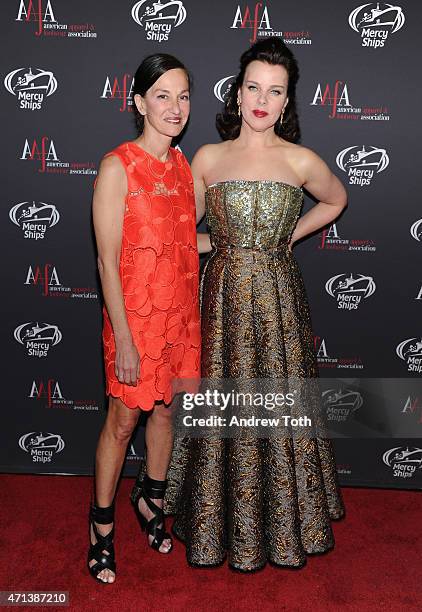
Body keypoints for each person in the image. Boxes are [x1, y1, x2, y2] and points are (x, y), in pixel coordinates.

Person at [165, 37, 347, 571]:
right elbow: (186, 232)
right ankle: (214, 514)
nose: (262, 100)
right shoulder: (208, 157)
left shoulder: (301, 159)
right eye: (253, 87)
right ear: (237, 93)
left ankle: (289, 517)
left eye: (275, 91)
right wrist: (217, 245)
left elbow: (337, 199)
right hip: (220, 296)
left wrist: (288, 237)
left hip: (277, 300)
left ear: (287, 101)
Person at [88, 53, 200, 584]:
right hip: (133, 322)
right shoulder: (118, 166)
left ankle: (150, 499)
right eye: (162, 96)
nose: (175, 107)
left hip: (180, 317)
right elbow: (107, 261)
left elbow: (184, 242)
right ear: (138, 103)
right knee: (123, 420)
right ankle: (101, 526)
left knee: (165, 413)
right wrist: (125, 340)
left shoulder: (183, 167)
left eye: (182, 96)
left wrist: (244, 245)